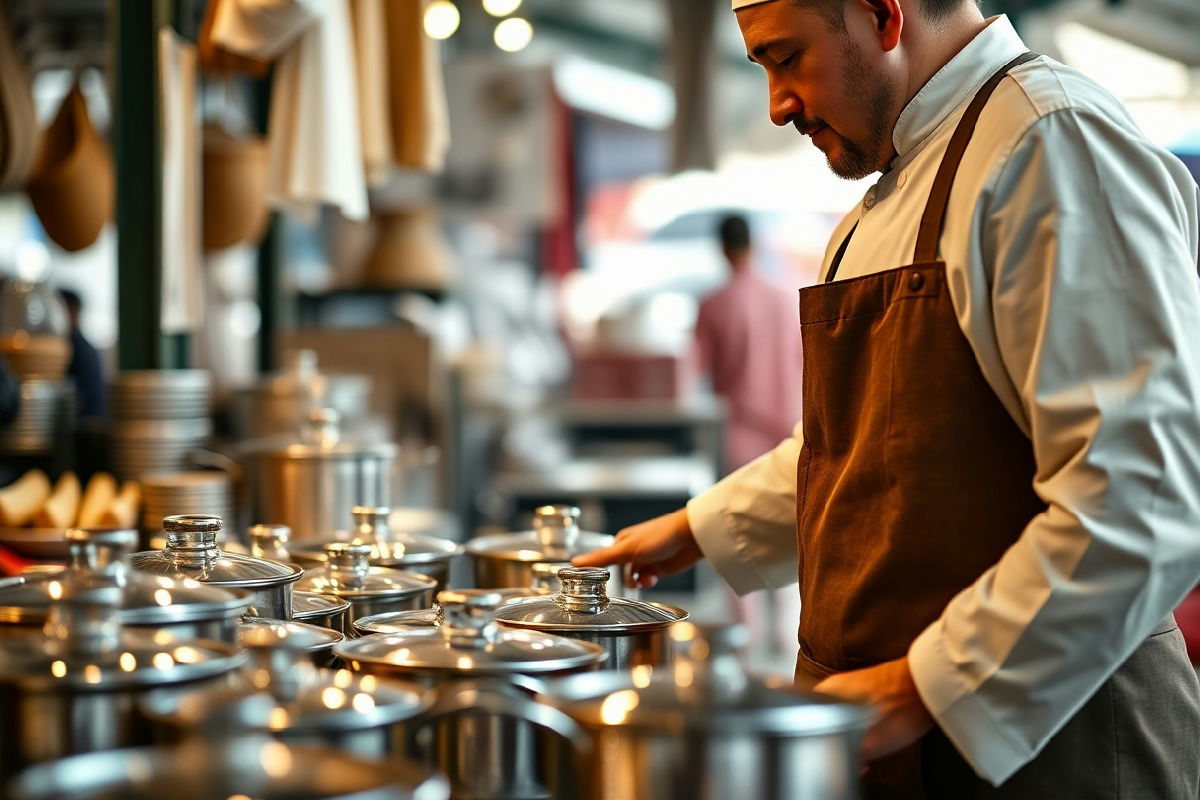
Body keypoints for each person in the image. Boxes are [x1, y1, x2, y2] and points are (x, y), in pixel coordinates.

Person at [576, 0, 1200, 797]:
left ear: (882, 14)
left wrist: (916, 689)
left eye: (786, 58)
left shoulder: (1050, 143)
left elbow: (1143, 494)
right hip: (913, 750)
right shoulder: (898, 182)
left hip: (1058, 749)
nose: (777, 106)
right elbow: (876, 443)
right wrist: (691, 530)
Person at [694, 213, 804, 473]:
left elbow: (696, 368)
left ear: (722, 248)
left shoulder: (713, 305)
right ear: (753, 244)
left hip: (737, 436)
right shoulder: (785, 298)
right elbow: (805, 359)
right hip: (788, 428)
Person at [59, 289, 107, 420]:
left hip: (86, 425)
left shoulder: (78, 349)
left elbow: (79, 398)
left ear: (73, 311)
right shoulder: (75, 345)